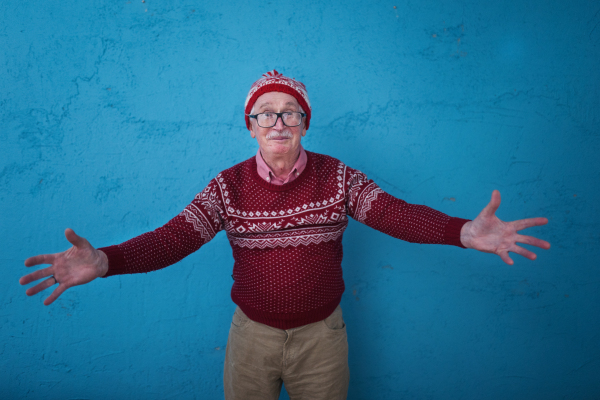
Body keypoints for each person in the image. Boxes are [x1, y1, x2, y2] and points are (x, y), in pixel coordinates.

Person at [20, 70, 550, 400]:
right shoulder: (227, 187)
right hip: (251, 338)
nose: (278, 122)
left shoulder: (338, 177)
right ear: (250, 126)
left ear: (305, 123)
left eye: (289, 112)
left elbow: (397, 214)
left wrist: (462, 231)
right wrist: (107, 260)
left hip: (323, 339)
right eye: (265, 113)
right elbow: (172, 239)